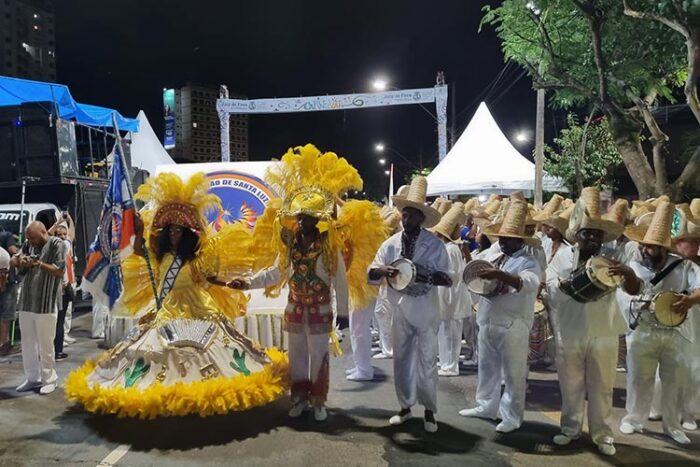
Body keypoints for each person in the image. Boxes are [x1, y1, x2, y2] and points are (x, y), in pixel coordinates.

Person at [65, 172, 288, 418]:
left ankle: (204, 389)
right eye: (170, 231)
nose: (173, 234)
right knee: (155, 346)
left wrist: (232, 283)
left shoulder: (197, 260)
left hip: (198, 306)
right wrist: (138, 228)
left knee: (211, 347)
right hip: (168, 308)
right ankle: (162, 388)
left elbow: (211, 278)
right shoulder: (160, 257)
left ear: (187, 234)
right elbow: (138, 248)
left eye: (178, 231)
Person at [233, 145, 362, 422]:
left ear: (317, 220)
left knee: (319, 356)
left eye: (308, 218)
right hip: (294, 308)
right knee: (298, 357)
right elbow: (275, 273)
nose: (302, 222)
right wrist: (246, 283)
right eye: (300, 217)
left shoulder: (329, 246)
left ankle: (318, 401)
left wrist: (343, 315)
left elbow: (340, 280)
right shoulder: (290, 247)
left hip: (320, 309)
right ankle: (299, 397)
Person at [545, 187, 636, 456]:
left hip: (604, 332)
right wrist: (561, 284)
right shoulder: (562, 255)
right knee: (570, 385)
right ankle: (570, 429)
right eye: (587, 232)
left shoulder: (613, 258)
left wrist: (628, 273)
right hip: (570, 331)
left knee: (602, 387)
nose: (593, 237)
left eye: (597, 233)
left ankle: (603, 435)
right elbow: (549, 283)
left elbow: (634, 288)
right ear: (578, 234)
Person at [369, 175, 451, 433]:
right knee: (401, 360)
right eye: (405, 214)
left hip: (425, 307)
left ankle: (429, 411)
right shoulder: (390, 244)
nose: (407, 219)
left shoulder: (436, 245)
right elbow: (371, 272)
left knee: (427, 360)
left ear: (421, 218)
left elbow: (447, 278)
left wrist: (421, 273)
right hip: (399, 308)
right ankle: (405, 407)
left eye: (413, 215)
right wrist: (382, 271)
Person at [618, 201, 700, 445]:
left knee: (672, 381)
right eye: (643, 245)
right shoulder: (634, 266)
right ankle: (633, 419)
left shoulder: (685, 266)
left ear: (664, 248)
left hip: (675, 334)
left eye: (651, 247)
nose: (644, 250)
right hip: (643, 332)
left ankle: (673, 426)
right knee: (638, 378)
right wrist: (629, 278)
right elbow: (631, 289)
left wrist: (690, 300)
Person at [458, 199, 541, 433]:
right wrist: (467, 255)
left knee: (513, 374)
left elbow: (529, 284)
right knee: (487, 368)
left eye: (508, 238)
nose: (502, 241)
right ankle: (485, 405)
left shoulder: (528, 260)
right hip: (488, 319)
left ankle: (512, 416)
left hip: (513, 324)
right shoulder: (495, 253)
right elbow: (475, 270)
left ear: (520, 240)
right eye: (501, 237)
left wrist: (501, 275)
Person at [12, 221, 67, 395]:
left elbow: (59, 271)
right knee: (28, 344)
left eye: (33, 237)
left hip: (46, 302)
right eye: (29, 238)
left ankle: (50, 379)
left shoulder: (58, 244)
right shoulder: (29, 244)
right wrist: (20, 260)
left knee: (45, 344)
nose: (31, 241)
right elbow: (14, 260)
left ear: (44, 232)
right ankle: (32, 378)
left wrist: (39, 264)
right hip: (27, 302)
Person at [430, 202, 470, 377]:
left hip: (450, 296)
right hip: (445, 295)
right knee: (445, 331)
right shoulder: (447, 248)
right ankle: (446, 362)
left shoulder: (452, 249)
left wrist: (446, 299)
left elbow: (453, 276)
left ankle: (451, 365)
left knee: (451, 332)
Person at [372, 205, 402, 361]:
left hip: (390, 283)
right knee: (383, 313)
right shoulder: (392, 241)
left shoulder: (393, 242)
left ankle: (388, 348)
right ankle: (388, 346)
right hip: (388, 283)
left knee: (384, 312)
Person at [48, 213, 76, 360]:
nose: (64, 236)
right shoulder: (63, 246)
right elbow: (71, 235)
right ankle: (57, 351)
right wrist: (69, 221)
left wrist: (58, 223)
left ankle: (52, 350)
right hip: (61, 290)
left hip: (52, 289)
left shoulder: (50, 246)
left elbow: (46, 234)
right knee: (59, 321)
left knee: (54, 320)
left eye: (64, 234)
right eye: (61, 234)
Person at [0, 228, 20, 356]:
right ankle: (2, 344)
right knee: (6, 315)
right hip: (8, 281)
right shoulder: (6, 235)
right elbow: (13, 251)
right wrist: (21, 250)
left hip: (5, 278)